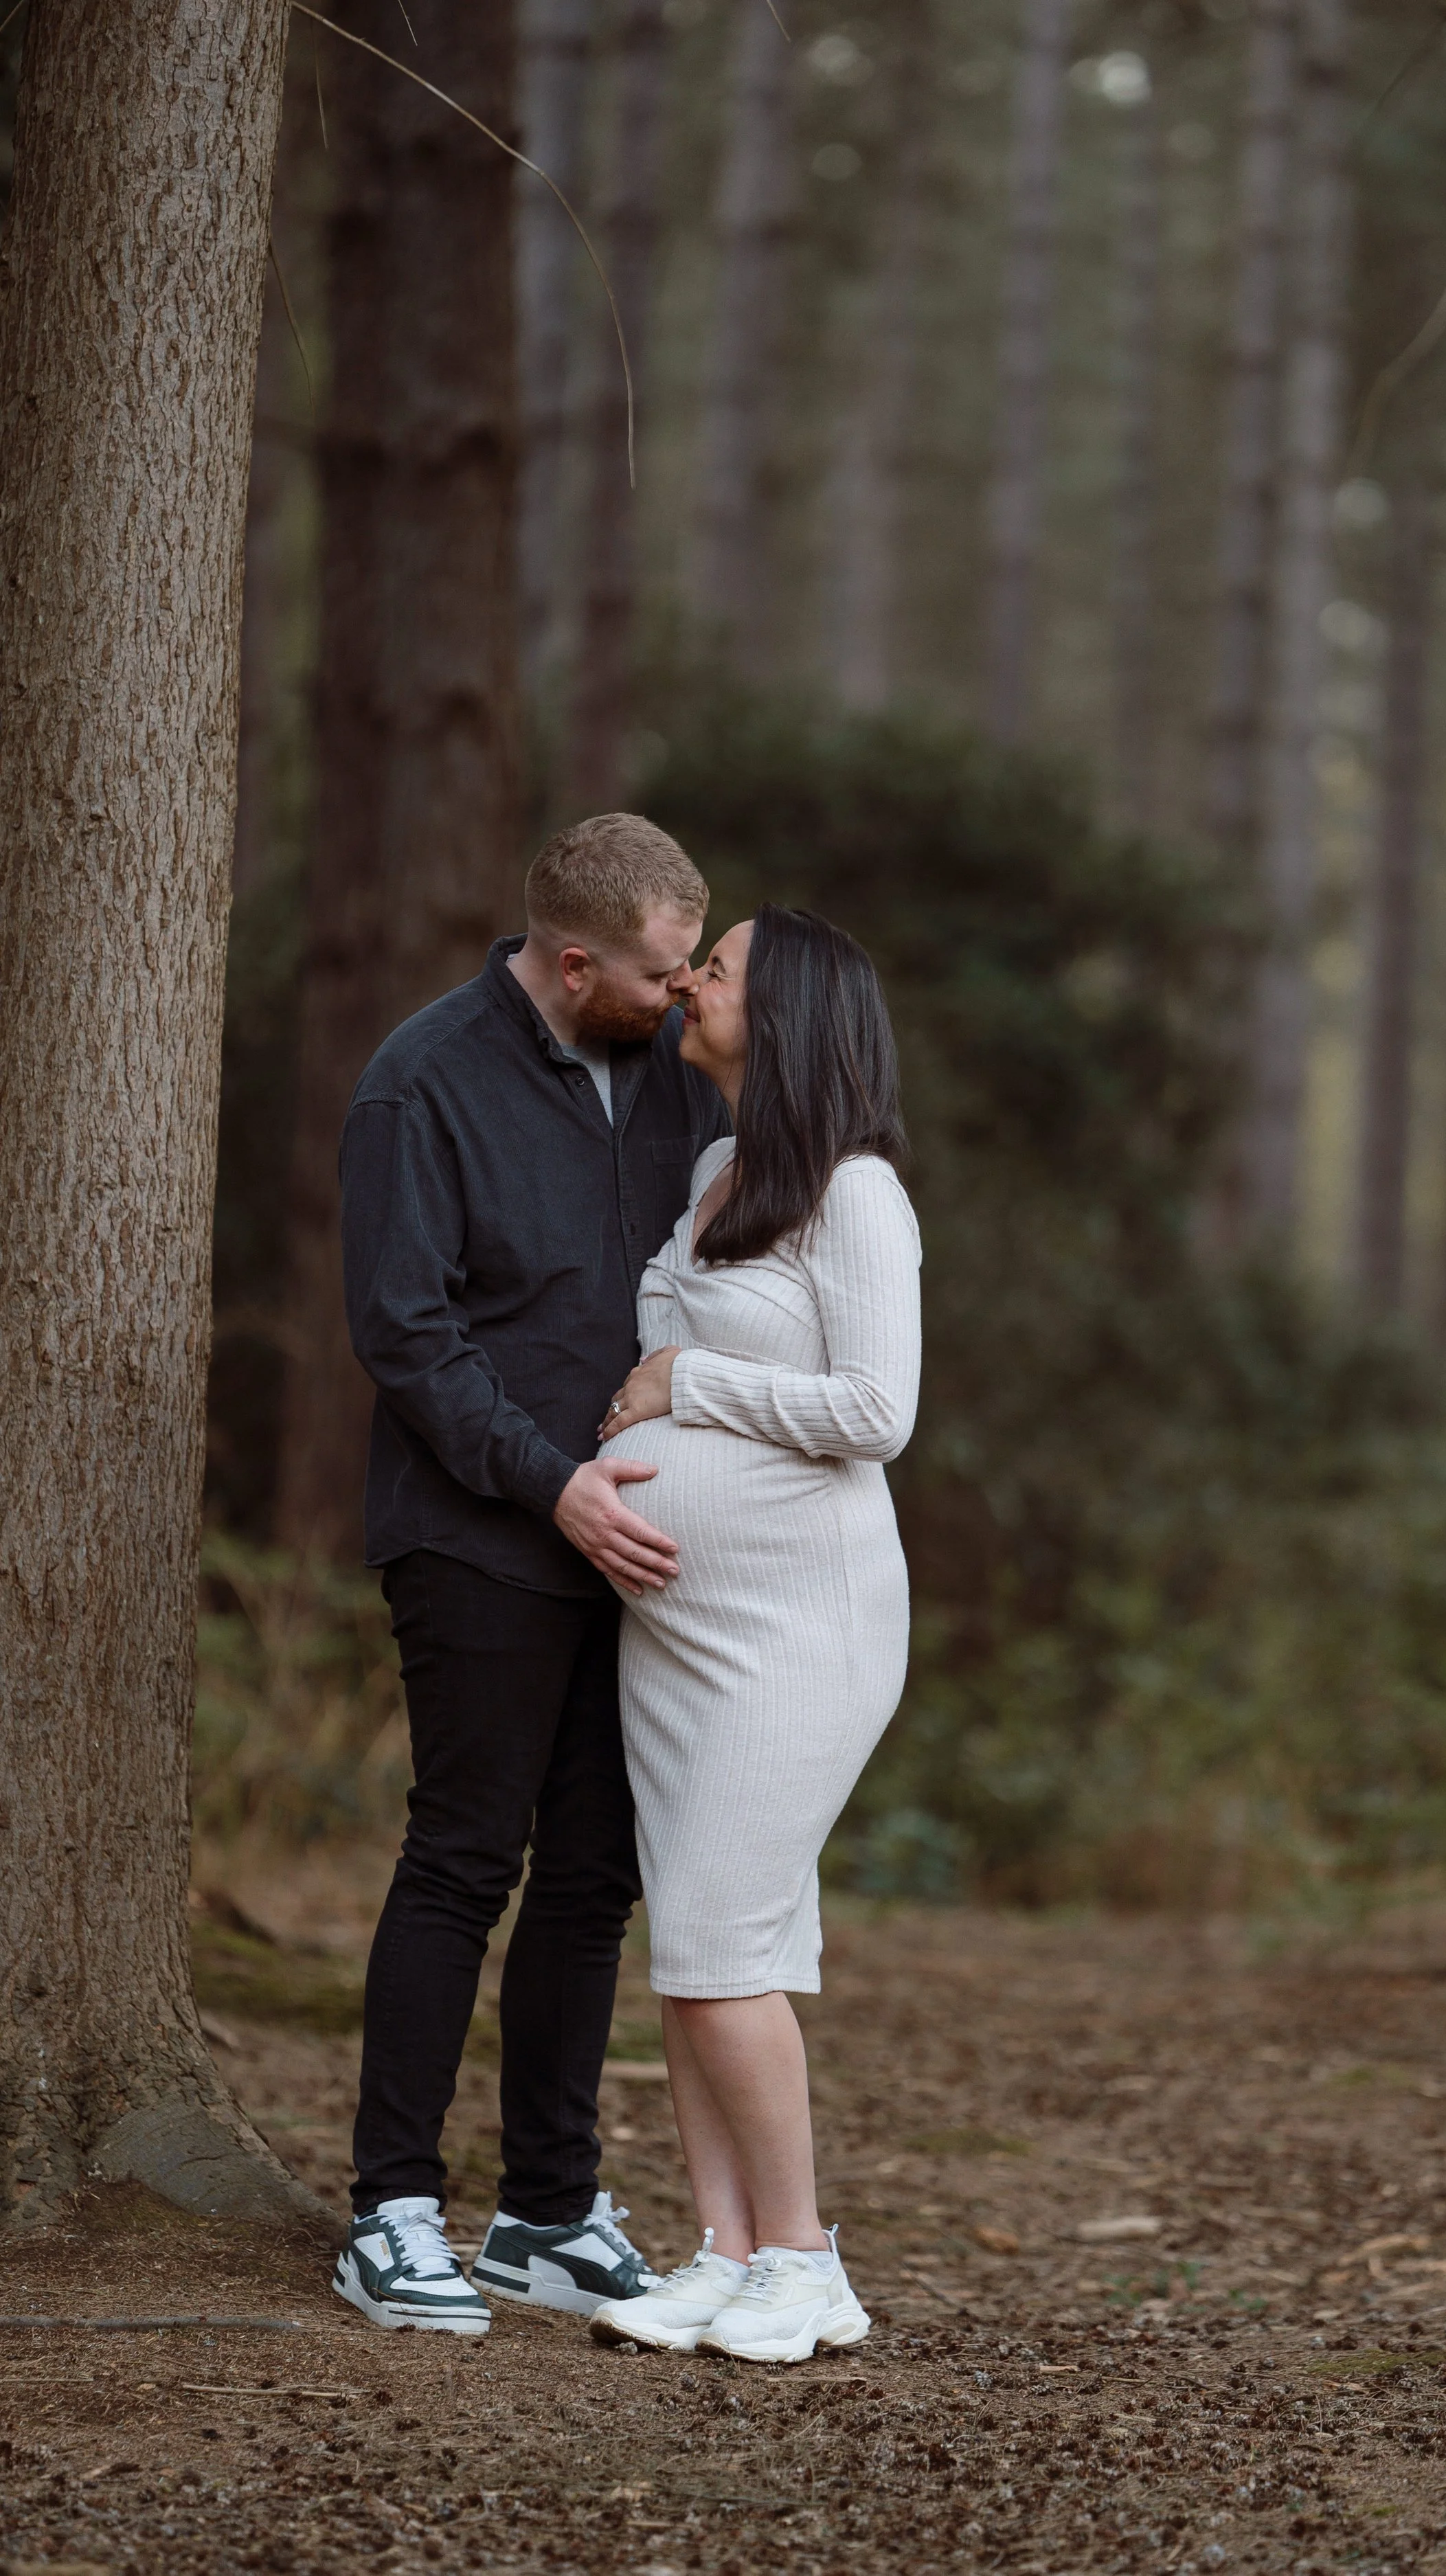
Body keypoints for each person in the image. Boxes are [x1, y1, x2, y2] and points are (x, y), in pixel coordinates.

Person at [330, 815, 729, 2335]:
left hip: (636, 1547)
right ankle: (390, 2210)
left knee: (594, 1876)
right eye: (660, 971)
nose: (683, 993)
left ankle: (547, 2213)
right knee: (463, 1858)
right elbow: (406, 1332)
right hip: (479, 1535)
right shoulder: (422, 1081)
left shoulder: (679, 1076)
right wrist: (550, 1482)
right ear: (573, 964)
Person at [584, 905, 921, 2366]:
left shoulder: (857, 1194)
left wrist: (686, 1390)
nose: (687, 983)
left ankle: (803, 2260)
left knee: (723, 1947)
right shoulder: (719, 1172)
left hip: (800, 1631)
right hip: (681, 1637)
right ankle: (724, 2252)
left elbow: (876, 1412)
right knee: (698, 1951)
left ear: (782, 1013)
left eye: (714, 969)